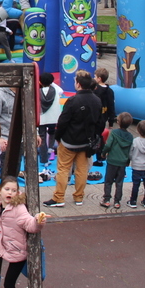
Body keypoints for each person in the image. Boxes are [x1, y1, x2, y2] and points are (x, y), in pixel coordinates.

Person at [0, 176, 47, 288]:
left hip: (18, 251)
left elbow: (29, 223)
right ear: (0, 191)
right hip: (6, 242)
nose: (10, 192)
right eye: (7, 189)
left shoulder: (18, 208)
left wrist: (38, 221)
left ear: (18, 193)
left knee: (9, 283)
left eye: (14, 190)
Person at [44, 71, 103, 208]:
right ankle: (79, 197)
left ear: (79, 84)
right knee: (82, 170)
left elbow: (63, 122)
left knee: (63, 169)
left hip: (69, 141)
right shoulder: (97, 100)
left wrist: (58, 137)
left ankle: (59, 197)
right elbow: (100, 123)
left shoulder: (72, 101)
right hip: (86, 141)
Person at [100, 112, 134, 209]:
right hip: (122, 162)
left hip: (112, 160)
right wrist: (127, 161)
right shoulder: (130, 136)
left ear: (118, 122)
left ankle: (106, 199)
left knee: (108, 181)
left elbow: (108, 145)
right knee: (119, 182)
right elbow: (130, 150)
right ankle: (117, 201)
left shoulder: (114, 133)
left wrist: (103, 153)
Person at [37, 73, 64, 176]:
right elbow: (61, 90)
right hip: (54, 117)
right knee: (52, 133)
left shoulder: (38, 91)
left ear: (40, 82)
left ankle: (43, 159)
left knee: (42, 137)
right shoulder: (55, 90)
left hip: (42, 118)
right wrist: (52, 83)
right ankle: (51, 149)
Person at [128, 120, 145, 208]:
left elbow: (130, 153)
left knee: (136, 184)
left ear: (138, 130)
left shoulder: (135, 141)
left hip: (136, 166)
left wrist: (132, 159)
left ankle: (133, 201)